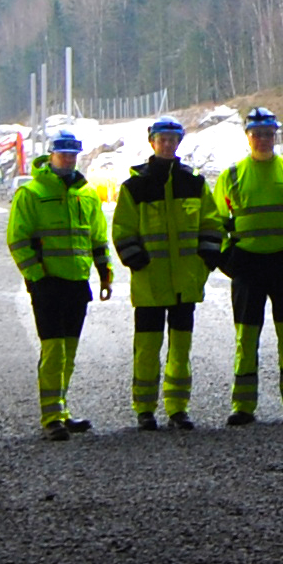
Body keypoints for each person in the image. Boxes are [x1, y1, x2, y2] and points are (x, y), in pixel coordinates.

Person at [209, 106, 283, 422]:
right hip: (247, 267)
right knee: (246, 338)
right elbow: (216, 222)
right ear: (248, 136)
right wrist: (227, 258)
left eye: (268, 134)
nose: (263, 139)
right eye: (257, 134)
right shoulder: (232, 176)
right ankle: (243, 406)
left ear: (276, 136)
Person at [111, 113, 221, 430]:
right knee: (147, 349)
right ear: (152, 142)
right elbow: (123, 230)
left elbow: (211, 224)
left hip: (186, 282)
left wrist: (206, 260)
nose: (167, 145)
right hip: (149, 283)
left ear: (178, 143)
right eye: (162, 140)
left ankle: (177, 408)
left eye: (172, 140)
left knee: (181, 349)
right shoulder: (135, 186)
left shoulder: (194, 183)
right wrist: (136, 260)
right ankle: (145, 409)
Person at [4, 128, 112, 439]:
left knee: (69, 351)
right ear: (50, 155)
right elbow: (17, 240)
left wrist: (104, 273)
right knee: (53, 352)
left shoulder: (86, 194)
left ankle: (61, 410)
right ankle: (51, 416)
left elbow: (97, 238)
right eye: (63, 154)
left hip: (77, 283)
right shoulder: (31, 193)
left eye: (72, 155)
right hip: (48, 285)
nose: (68, 159)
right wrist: (37, 277)